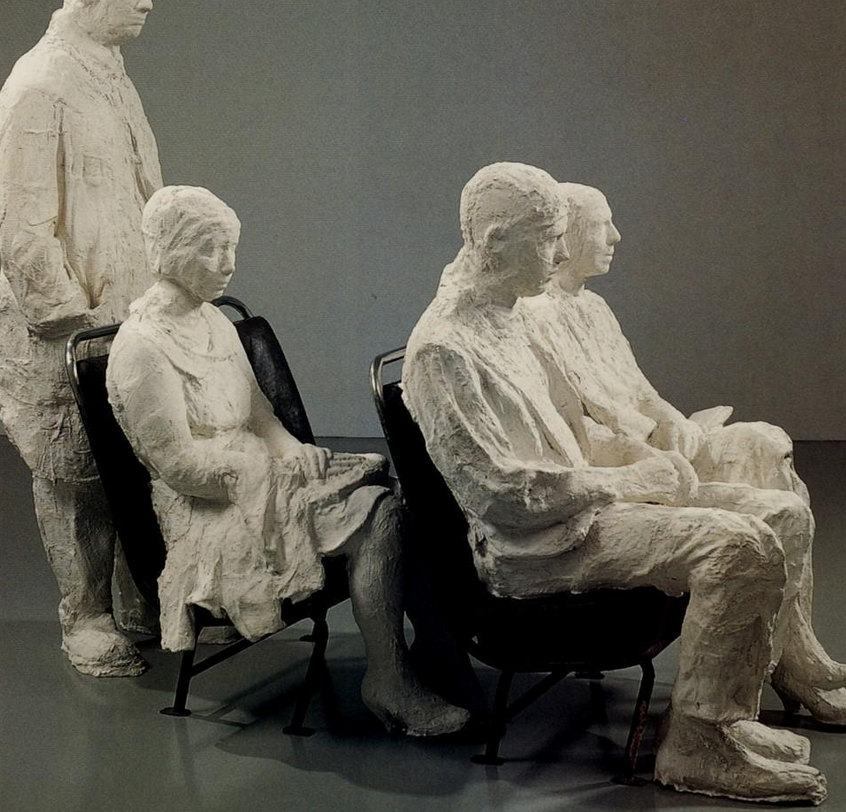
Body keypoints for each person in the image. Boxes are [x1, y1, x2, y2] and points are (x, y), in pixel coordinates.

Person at [402, 161, 828, 803]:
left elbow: (570, 435)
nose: (560, 254)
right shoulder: (445, 348)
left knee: (781, 515)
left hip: (580, 510)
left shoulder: (508, 316)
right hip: (539, 546)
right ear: (494, 242)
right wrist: (627, 481)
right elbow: (503, 497)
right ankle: (696, 745)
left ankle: (724, 712)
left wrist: (638, 457)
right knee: (738, 547)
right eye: (549, 239)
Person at [106, 185, 469, 737]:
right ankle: (389, 680)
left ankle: (437, 650)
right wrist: (258, 474)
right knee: (382, 514)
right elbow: (177, 465)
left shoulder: (215, 324)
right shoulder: (140, 348)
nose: (227, 263)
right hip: (209, 511)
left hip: (259, 475)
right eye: (210, 248)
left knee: (390, 489)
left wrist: (292, 452)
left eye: (231, 248)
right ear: (171, 250)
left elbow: (260, 417)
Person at [522, 182, 846, 725]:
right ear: (567, 235)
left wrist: (675, 424)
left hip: (660, 446)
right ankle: (784, 662)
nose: (615, 237)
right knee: (765, 460)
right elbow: (573, 430)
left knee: (764, 443)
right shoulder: (533, 317)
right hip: (627, 466)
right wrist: (651, 450)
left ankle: (787, 653)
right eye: (602, 226)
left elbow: (641, 391)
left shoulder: (594, 308)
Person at [0, 0, 163, 676]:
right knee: (73, 472)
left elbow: (142, 188)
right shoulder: (40, 85)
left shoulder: (110, 76)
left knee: (130, 453)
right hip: (69, 325)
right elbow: (20, 225)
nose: (146, 3)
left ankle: (139, 597)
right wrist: (68, 317)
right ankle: (86, 614)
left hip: (125, 310)